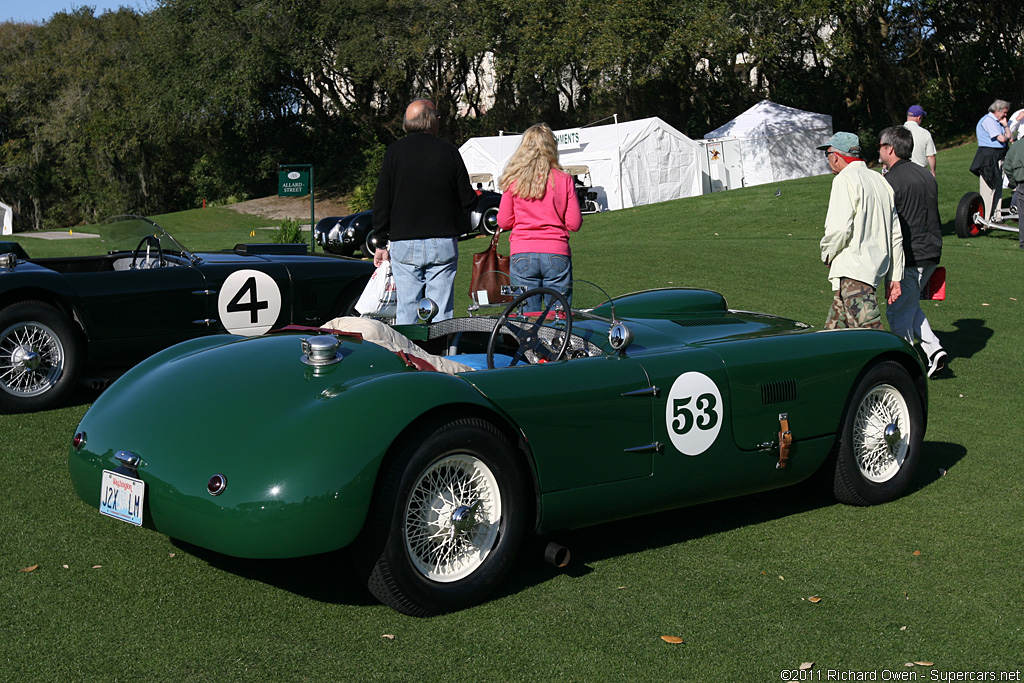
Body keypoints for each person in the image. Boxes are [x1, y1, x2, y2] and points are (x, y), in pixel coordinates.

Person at [372, 99, 477, 324]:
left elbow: (382, 201)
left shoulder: (394, 153)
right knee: (440, 313)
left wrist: (381, 242)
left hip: (404, 242)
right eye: (437, 115)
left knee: (406, 311)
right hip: (442, 240)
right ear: (429, 120)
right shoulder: (449, 151)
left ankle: (407, 356)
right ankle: (438, 356)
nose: (440, 119)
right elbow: (467, 200)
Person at [878, 126, 948, 377]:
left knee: (898, 311)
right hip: (931, 250)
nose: (879, 149)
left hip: (910, 254)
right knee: (909, 305)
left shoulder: (891, 180)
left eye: (880, 145)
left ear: (890, 149)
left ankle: (905, 369)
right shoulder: (926, 174)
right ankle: (934, 350)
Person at [817, 132, 904, 330]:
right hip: (872, 272)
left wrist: (827, 254)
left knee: (872, 336)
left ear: (836, 155)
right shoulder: (880, 180)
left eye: (827, 154)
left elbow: (839, 229)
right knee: (834, 336)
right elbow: (895, 235)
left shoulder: (843, 180)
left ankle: (897, 362)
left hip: (854, 272)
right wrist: (895, 276)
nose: (828, 160)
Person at [496, 123, 583, 312]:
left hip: (522, 252)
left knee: (527, 320)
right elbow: (574, 223)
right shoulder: (564, 179)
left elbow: (503, 221)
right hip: (556, 251)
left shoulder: (513, 179)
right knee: (560, 318)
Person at [969, 100, 1012, 221]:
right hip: (989, 158)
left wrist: (1005, 125)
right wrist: (1006, 135)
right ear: (997, 110)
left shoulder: (999, 122)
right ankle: (985, 218)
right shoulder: (988, 121)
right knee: (988, 187)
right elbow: (1002, 138)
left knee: (998, 186)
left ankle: (996, 216)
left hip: (999, 156)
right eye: (1004, 113)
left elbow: (1010, 137)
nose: (1006, 116)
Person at [1002, 134, 1024, 250]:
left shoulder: (1015, 146)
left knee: (1022, 216)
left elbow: (1007, 166)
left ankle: (1023, 244)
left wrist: (1014, 182)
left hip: (1021, 184)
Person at [903, 105, 937, 177]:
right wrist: (932, 171)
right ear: (919, 117)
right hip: (919, 172)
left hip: (901, 172)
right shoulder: (925, 133)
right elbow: (931, 156)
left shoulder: (896, 132)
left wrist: (885, 169)